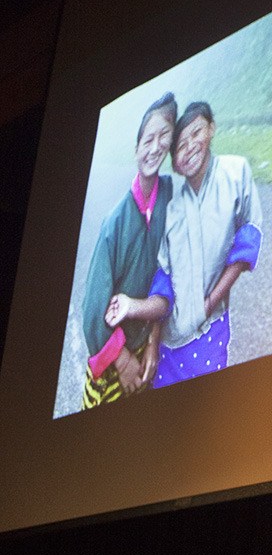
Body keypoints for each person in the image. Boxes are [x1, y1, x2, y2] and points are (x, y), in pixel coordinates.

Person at [104, 101, 262, 386]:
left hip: (209, 329)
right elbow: (164, 280)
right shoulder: (174, 211)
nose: (189, 147)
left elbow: (247, 238)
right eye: (179, 146)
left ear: (211, 129)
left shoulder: (236, 173)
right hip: (169, 342)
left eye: (196, 133)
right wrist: (150, 337)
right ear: (174, 163)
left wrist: (210, 303)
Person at [81, 92, 177, 407]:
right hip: (114, 360)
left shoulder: (169, 195)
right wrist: (122, 361)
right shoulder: (114, 224)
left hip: (147, 351)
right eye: (148, 139)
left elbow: (169, 274)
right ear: (136, 149)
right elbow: (93, 312)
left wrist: (152, 342)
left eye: (164, 136)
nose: (155, 146)